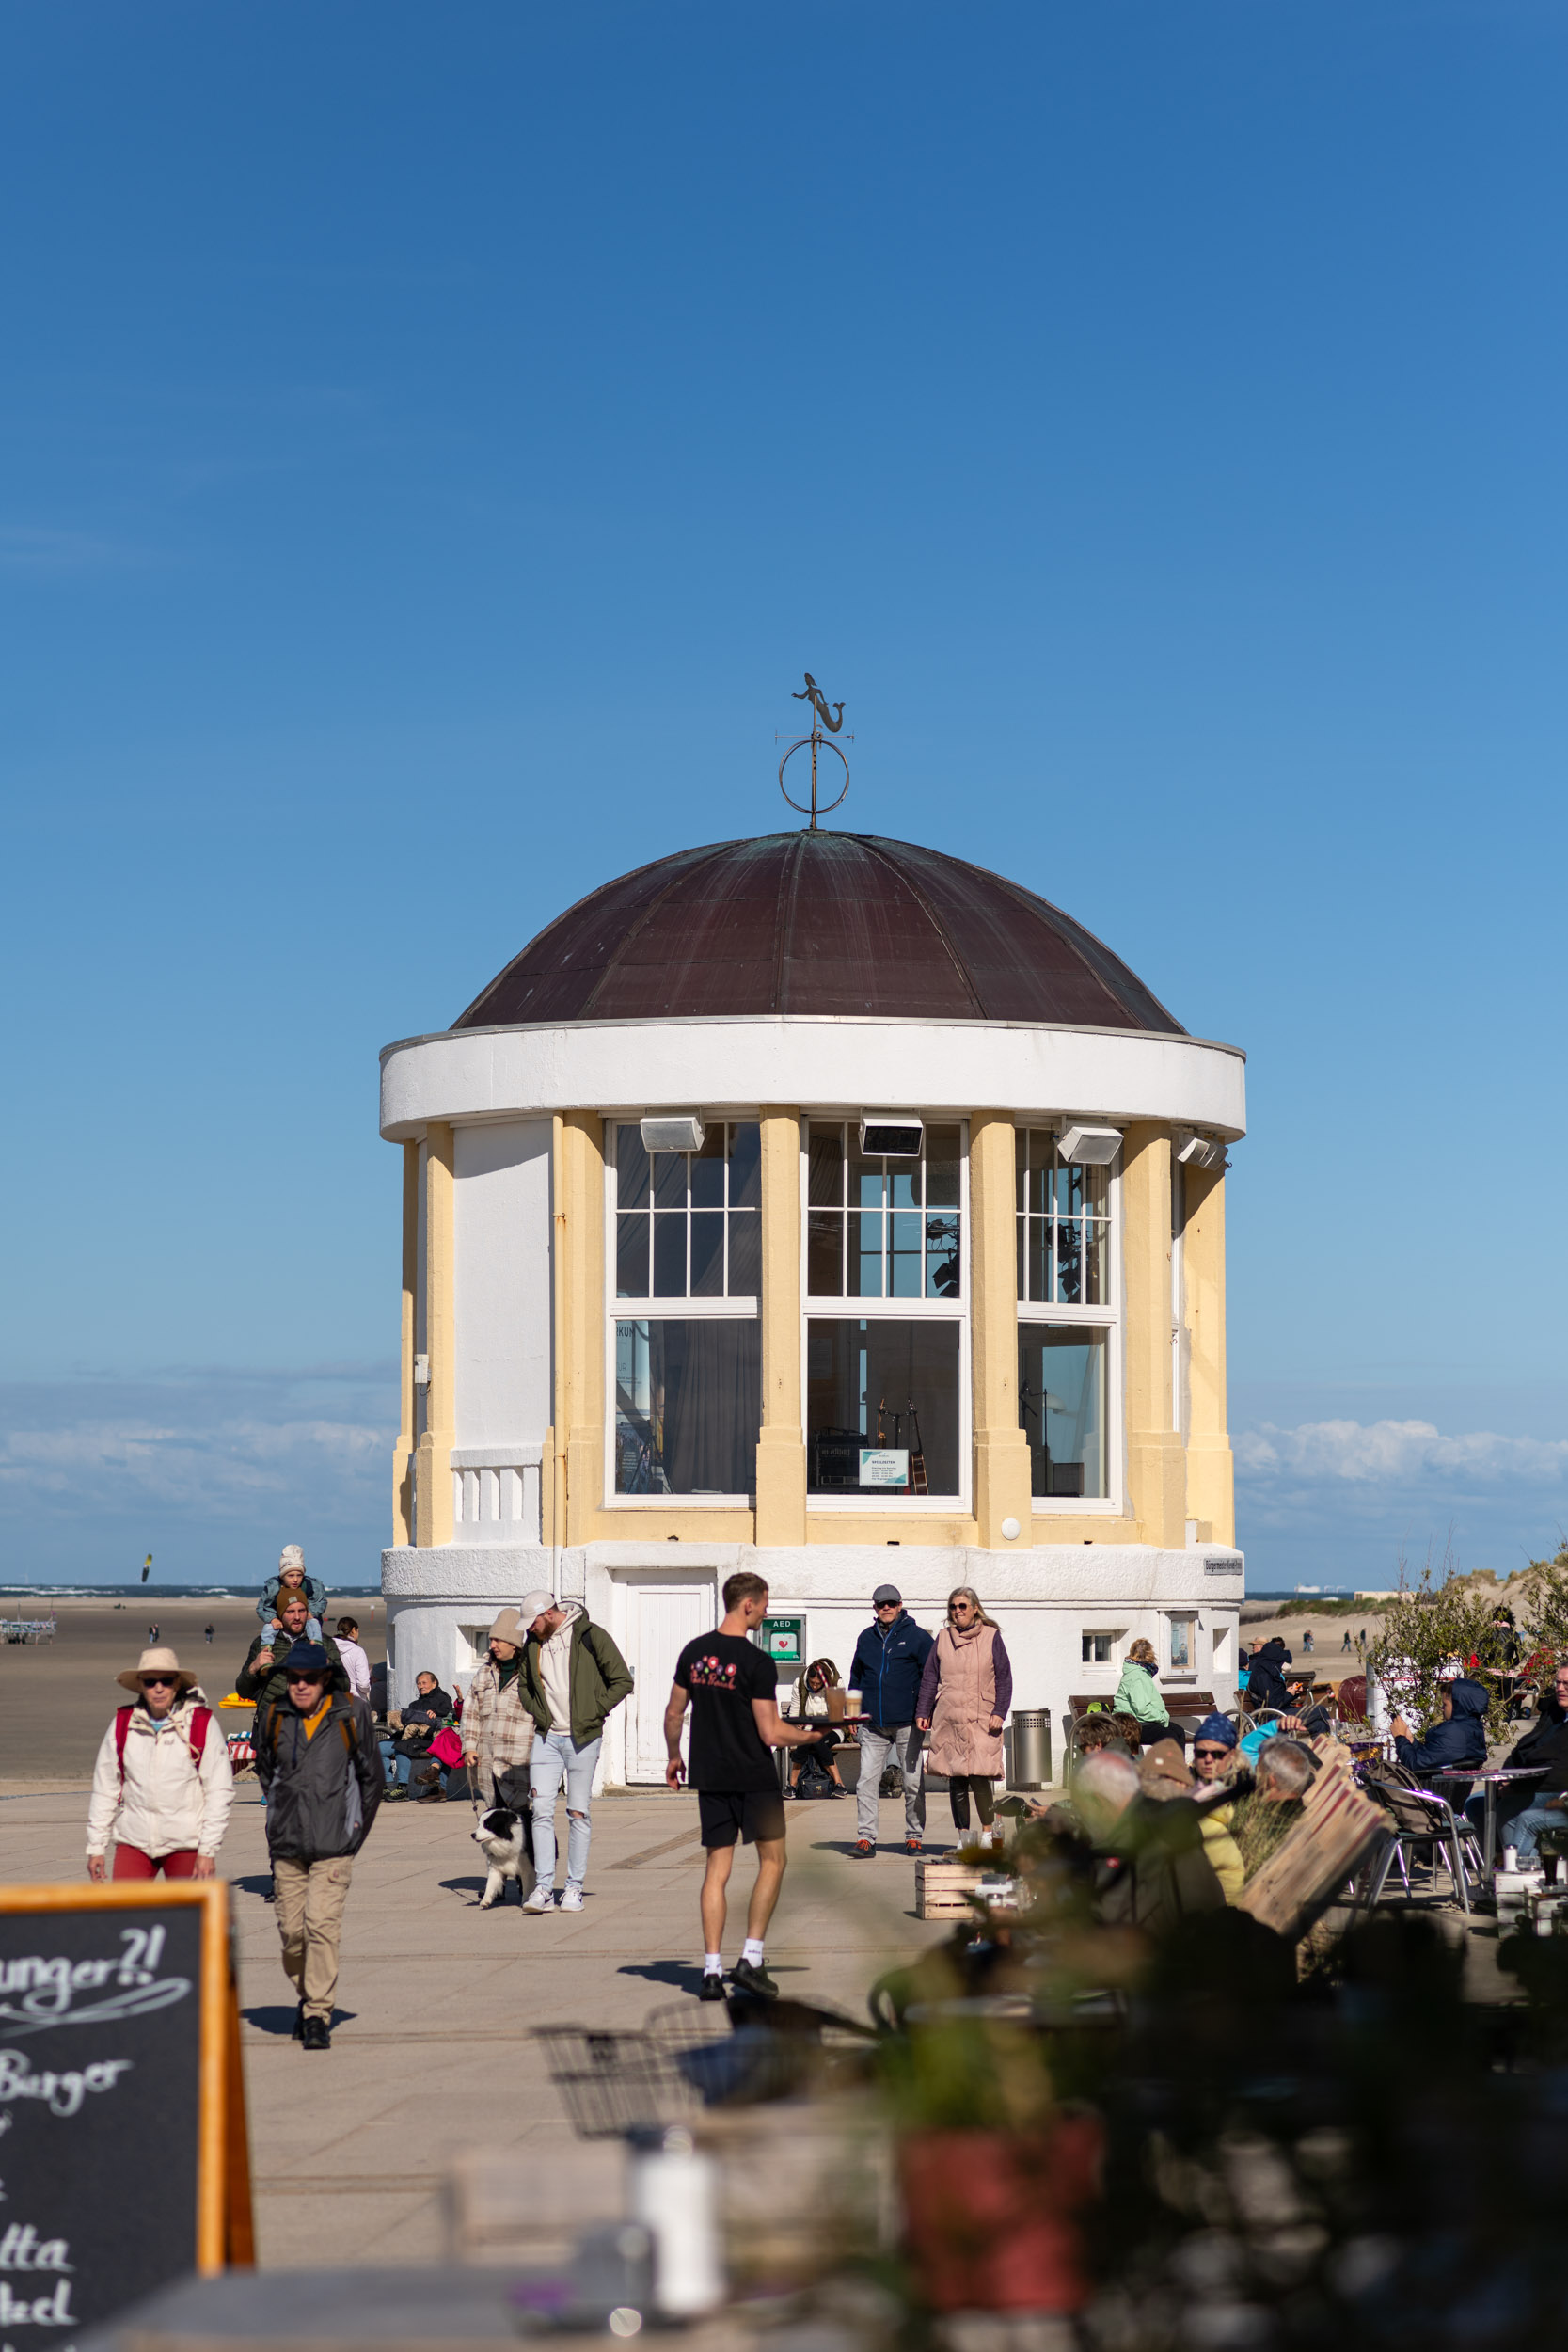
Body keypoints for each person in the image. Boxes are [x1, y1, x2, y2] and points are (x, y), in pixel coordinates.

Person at [663, 1569, 823, 2000]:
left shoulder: (695, 1652)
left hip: (710, 1775)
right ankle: (751, 1959)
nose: (766, 1613)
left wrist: (674, 1756)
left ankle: (711, 1971)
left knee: (717, 1870)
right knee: (774, 1862)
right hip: (753, 1776)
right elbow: (771, 1733)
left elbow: (674, 1712)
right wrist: (812, 1735)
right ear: (747, 1604)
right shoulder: (757, 1662)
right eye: (765, 1605)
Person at [254, 1640, 382, 2050]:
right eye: (294, 1678)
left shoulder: (352, 1714)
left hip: (334, 1846)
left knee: (321, 1928)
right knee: (292, 1934)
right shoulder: (275, 1716)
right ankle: (308, 1993)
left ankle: (316, 2014)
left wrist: (353, 1834)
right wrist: (279, 1817)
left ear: (326, 1678)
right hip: (287, 1845)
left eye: (309, 1678)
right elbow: (265, 1769)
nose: (301, 1685)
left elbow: (371, 1780)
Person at [515, 1589, 633, 1913]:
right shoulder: (533, 1643)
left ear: (549, 1614)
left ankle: (574, 1889)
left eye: (533, 1622)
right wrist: (538, 1712)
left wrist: (594, 1712)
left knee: (578, 1812)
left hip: (584, 1737)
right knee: (540, 1809)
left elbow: (622, 1681)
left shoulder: (591, 1636)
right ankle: (543, 1888)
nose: (529, 1629)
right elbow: (525, 1684)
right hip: (546, 1737)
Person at [87, 1647, 233, 1881]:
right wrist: (96, 1847)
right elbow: (106, 1789)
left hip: (186, 1842)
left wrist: (208, 1850)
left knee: (187, 1916)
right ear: (140, 1685)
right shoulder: (123, 1723)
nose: (158, 1688)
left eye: (165, 1681)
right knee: (126, 1914)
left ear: (177, 1684)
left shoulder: (201, 1724)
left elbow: (218, 1790)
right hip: (133, 1841)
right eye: (150, 1681)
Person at [1072, 1749, 1225, 1931]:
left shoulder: (1131, 1842)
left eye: (1080, 1809)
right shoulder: (1164, 1820)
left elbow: (1107, 1925)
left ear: (1098, 1803)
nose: (1081, 1818)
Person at [915, 1586, 1013, 1845]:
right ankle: (963, 1837)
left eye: (962, 1606)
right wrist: (923, 1711)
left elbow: (1004, 1677)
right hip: (951, 1717)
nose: (957, 1611)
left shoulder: (992, 1636)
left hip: (983, 1718)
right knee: (956, 1779)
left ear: (975, 1609)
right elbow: (930, 1678)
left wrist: (999, 1712)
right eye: (953, 1607)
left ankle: (987, 1833)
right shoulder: (943, 1638)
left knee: (980, 1777)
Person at [847, 1583, 934, 1859]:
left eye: (891, 1603)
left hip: (908, 1722)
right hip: (872, 1724)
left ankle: (914, 1837)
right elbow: (856, 1676)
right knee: (866, 1782)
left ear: (900, 1605)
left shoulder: (918, 1638)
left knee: (911, 1782)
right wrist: (852, 1712)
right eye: (880, 1604)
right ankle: (866, 1838)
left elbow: (931, 1677)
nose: (886, 1608)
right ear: (874, 1608)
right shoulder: (866, 1638)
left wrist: (925, 1710)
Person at [1484, 1661, 1568, 1865]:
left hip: (1558, 1792)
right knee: (1479, 1803)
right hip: (1530, 1784)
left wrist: (1515, 1787)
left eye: (1566, 1684)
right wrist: (1506, 1777)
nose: (1560, 1688)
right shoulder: (1553, 1715)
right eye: (1558, 1683)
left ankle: (1517, 1872)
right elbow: (1523, 1750)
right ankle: (1495, 1865)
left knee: (1509, 1809)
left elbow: (1561, 1774)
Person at [463, 1607, 536, 1825]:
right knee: (495, 1823)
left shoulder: (531, 1674)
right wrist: (469, 1746)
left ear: (513, 1643)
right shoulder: (484, 1673)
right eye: (491, 1639)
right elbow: (470, 1712)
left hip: (518, 1764)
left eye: (498, 1640)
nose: (492, 1645)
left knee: (521, 1824)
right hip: (487, 1761)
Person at [236, 1592, 348, 1713]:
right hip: (271, 1724)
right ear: (280, 1614)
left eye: (301, 1610)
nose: (297, 1617)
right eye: (290, 1611)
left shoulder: (324, 1643)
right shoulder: (262, 1643)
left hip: (313, 1725)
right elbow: (243, 1692)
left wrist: (327, 1665)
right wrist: (253, 1668)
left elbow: (345, 1686)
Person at [1390, 1675, 1489, 1803]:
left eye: (1445, 1704)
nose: (1442, 1709)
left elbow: (1413, 1766)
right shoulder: (1472, 1730)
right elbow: (1431, 1759)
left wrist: (1399, 1738)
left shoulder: (1452, 1732)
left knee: (1376, 1781)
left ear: (1459, 1705)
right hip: (1447, 1798)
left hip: (1426, 1799)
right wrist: (1411, 1741)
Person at [1187, 1713, 1246, 1901]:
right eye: (1201, 1753)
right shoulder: (1186, 1786)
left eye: (1217, 1754)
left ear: (1232, 1756)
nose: (1208, 1760)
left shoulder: (1243, 1791)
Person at [379, 1670, 454, 1798]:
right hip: (410, 1736)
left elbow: (447, 1709)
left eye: (424, 1683)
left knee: (403, 1747)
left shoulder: (442, 1698)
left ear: (434, 1683)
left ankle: (402, 1787)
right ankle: (388, 1786)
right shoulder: (414, 1704)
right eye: (418, 1683)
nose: (421, 1686)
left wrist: (435, 1711)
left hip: (429, 1738)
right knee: (379, 1748)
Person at [789, 1659, 847, 1795]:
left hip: (833, 1729)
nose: (814, 1686)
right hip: (808, 1729)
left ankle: (839, 1783)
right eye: (812, 1683)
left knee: (816, 1739)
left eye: (818, 1684)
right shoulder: (799, 1684)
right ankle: (791, 1786)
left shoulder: (836, 1684)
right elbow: (794, 1711)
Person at [256, 1543, 328, 1637]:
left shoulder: (312, 1586)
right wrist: (272, 1619)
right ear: (282, 1576)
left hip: (307, 1621)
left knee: (314, 1625)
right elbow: (262, 1607)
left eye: (299, 1575)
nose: (295, 1579)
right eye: (290, 1575)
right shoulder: (274, 1587)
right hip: (281, 1623)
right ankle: (267, 1647)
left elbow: (321, 1602)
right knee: (268, 1630)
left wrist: (311, 1613)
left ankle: (316, 1645)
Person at [1112, 1636, 1171, 1746]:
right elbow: (1142, 1709)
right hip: (1130, 1724)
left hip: (1139, 1720)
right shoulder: (1137, 1676)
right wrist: (1162, 1717)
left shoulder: (1140, 1672)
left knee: (1178, 1732)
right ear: (1150, 1656)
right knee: (1168, 1735)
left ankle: (1175, 1763)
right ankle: (1170, 1763)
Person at [1243, 1637, 1291, 1716]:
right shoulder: (1266, 1669)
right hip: (1272, 1713)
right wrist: (1289, 1694)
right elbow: (1272, 1700)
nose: (1252, 1648)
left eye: (1254, 1645)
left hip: (1272, 1711)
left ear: (1262, 1647)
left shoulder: (1256, 1664)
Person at [333, 1616, 372, 1701]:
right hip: (355, 1701)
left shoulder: (329, 1648)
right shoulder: (357, 1651)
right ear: (353, 1630)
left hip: (333, 1700)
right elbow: (363, 1684)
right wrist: (368, 1690)